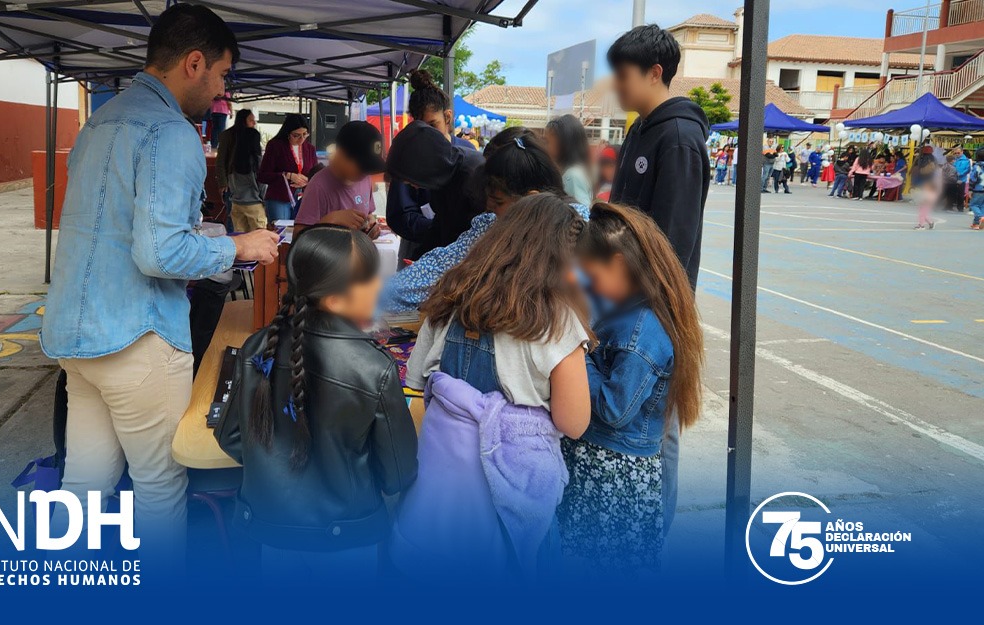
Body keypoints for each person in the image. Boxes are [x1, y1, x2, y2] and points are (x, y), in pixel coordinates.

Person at [40, 4, 280, 568]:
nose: (222, 93)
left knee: (85, 484)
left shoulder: (99, 122)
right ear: (193, 63)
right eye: (222, 75)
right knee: (159, 489)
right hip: (137, 339)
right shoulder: (171, 132)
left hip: (77, 335)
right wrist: (238, 246)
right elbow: (160, 252)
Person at [391, 193, 592, 579]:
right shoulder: (558, 319)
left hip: (436, 494)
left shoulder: (449, 296)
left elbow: (416, 382)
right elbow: (574, 421)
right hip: (509, 496)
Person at [215, 225, 417, 579]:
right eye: (370, 278)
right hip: (347, 537)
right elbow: (397, 474)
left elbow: (231, 437)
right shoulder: (375, 368)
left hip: (272, 528)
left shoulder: (257, 347)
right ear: (336, 299)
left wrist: (274, 468)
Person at [558, 202, 704, 572]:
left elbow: (614, 409)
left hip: (613, 474)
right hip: (607, 467)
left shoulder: (641, 332)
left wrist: (581, 354)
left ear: (620, 265)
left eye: (591, 274)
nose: (586, 285)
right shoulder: (631, 312)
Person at [605, 23, 709, 536]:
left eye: (623, 76)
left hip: (657, 306)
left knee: (657, 425)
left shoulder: (680, 136)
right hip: (618, 298)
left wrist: (650, 308)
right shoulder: (638, 129)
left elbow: (673, 239)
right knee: (626, 418)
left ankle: (656, 532)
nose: (616, 86)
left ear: (655, 72)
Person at [378, 127, 581, 314]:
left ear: (531, 199)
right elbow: (438, 266)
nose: (489, 208)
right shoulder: (489, 224)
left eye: (498, 201)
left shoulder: (576, 233)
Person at [386, 69, 475, 264]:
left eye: (433, 125)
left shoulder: (469, 161)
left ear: (448, 117)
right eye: (421, 127)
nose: (427, 136)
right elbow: (399, 214)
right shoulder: (411, 153)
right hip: (420, 248)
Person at [386, 120, 485, 260]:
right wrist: (418, 261)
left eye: (411, 181)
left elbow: (467, 239)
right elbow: (439, 226)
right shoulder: (442, 174)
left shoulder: (472, 176)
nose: (413, 186)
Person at [293, 121, 385, 238]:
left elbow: (369, 213)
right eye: (362, 166)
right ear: (341, 154)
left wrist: (371, 224)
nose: (365, 173)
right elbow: (298, 237)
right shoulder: (318, 186)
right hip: (328, 255)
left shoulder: (365, 179)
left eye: (370, 168)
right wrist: (331, 220)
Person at [258, 113, 318, 222]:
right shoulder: (275, 145)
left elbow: (316, 174)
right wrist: (288, 175)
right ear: (288, 133)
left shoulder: (310, 149)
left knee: (299, 232)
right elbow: (263, 175)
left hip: (303, 198)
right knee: (281, 231)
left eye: (305, 134)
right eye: (296, 135)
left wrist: (308, 181)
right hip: (279, 198)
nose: (301, 139)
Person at [226, 108, 268, 231]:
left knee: (240, 241)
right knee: (258, 242)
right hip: (254, 204)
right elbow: (262, 184)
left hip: (236, 203)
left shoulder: (234, 160)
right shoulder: (256, 161)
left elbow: (230, 181)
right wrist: (264, 201)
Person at [545, 114, 594, 205]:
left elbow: (581, 213)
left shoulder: (572, 176)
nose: (545, 147)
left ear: (564, 144)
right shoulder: (573, 172)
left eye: (548, 142)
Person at [914, 146, 940, 230]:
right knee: (924, 208)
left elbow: (918, 172)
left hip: (924, 185)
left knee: (922, 208)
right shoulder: (934, 160)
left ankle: (921, 224)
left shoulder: (922, 160)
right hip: (931, 186)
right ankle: (929, 222)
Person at [948, 147, 971, 212]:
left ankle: (960, 207)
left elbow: (968, 169)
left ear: (962, 152)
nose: (957, 154)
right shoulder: (953, 159)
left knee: (960, 194)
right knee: (951, 193)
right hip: (953, 179)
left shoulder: (966, 160)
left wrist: (960, 174)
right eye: (955, 153)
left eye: (958, 153)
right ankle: (950, 206)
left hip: (962, 179)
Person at [969, 148, 984, 229]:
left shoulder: (977, 166)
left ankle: (980, 217)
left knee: (973, 204)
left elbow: (973, 178)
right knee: (982, 205)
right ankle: (976, 223)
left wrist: (970, 189)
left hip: (978, 189)